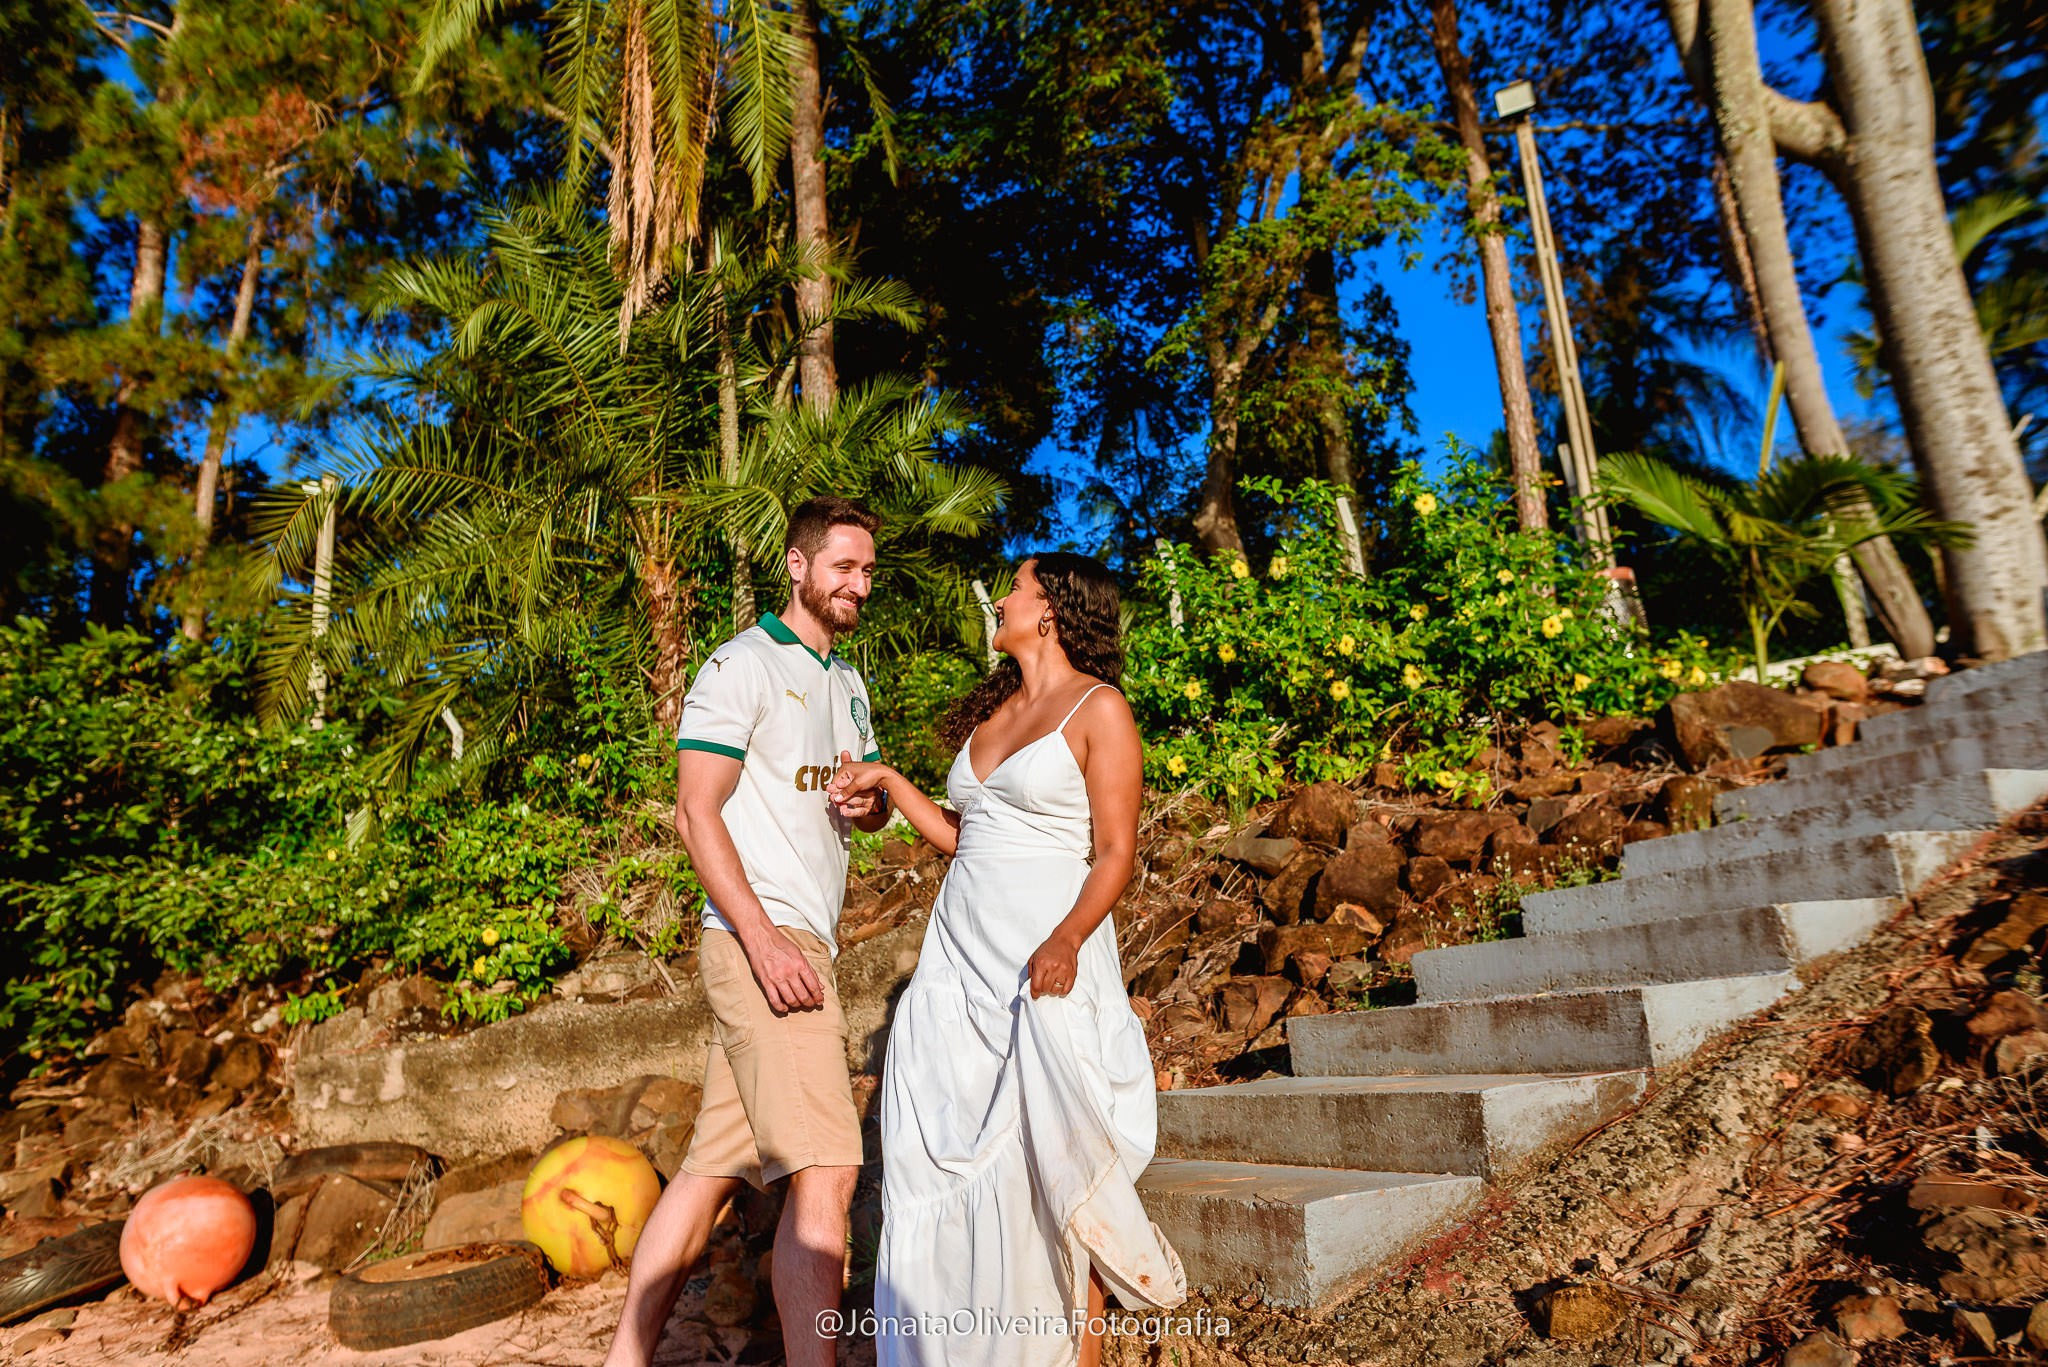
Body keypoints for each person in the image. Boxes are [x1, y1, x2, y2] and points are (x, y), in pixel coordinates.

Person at [826, 552, 1186, 1367]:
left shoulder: (1100, 709)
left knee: (1052, 1148)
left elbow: (1117, 852)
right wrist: (890, 781)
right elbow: (966, 837)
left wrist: (1065, 938)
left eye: (1016, 588)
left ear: (1052, 608)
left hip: (1044, 954)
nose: (1002, 598)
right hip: (959, 965)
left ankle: (1078, 1356)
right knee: (943, 1160)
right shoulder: (995, 715)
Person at [602, 497, 892, 1367]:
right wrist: (763, 940)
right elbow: (697, 813)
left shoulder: (848, 682)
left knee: (705, 1176)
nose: (859, 584)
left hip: (801, 938)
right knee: (828, 1172)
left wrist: (870, 806)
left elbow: (862, 815)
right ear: (798, 567)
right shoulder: (741, 665)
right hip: (768, 941)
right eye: (843, 566)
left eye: (869, 570)